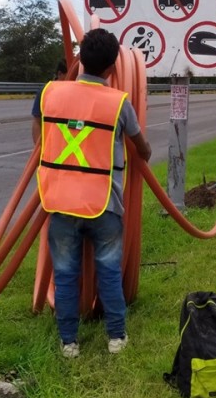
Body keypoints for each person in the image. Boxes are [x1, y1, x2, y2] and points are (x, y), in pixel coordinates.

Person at [31, 28, 152, 359]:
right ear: (113, 67)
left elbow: (38, 138)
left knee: (66, 275)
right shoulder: (119, 103)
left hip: (59, 201)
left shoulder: (50, 93)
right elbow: (141, 147)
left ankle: (69, 342)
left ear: (79, 59)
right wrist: (145, 150)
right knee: (109, 272)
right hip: (104, 205)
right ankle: (116, 338)